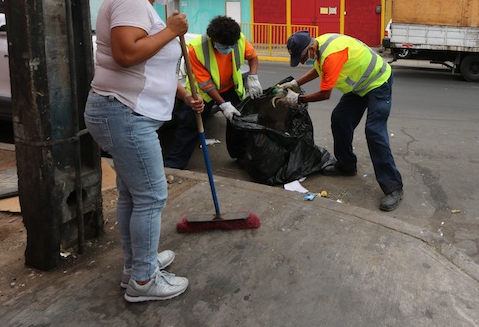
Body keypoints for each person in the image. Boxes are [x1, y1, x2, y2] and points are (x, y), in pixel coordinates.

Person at [84, 0, 202, 303]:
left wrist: (184, 94)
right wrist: (171, 30)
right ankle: (143, 282)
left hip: (128, 112)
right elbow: (126, 54)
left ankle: (137, 265)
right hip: (124, 113)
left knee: (133, 195)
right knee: (151, 195)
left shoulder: (139, 4)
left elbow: (153, 65)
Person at [276, 30, 404, 211]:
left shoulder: (331, 54)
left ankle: (394, 187)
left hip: (378, 82)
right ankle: (346, 165)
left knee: (374, 131)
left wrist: (297, 99)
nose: (303, 62)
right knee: (340, 119)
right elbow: (319, 69)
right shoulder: (320, 48)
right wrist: (297, 83)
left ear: (311, 48)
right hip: (360, 87)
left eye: (303, 57)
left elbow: (325, 94)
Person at [164, 15, 262, 169]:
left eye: (231, 45)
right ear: (213, 39)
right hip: (202, 93)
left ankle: (240, 156)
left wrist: (253, 76)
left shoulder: (238, 39)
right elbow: (206, 84)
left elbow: (253, 57)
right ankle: (175, 163)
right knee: (189, 125)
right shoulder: (196, 49)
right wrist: (223, 105)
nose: (228, 48)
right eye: (224, 45)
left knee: (237, 122)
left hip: (230, 87)